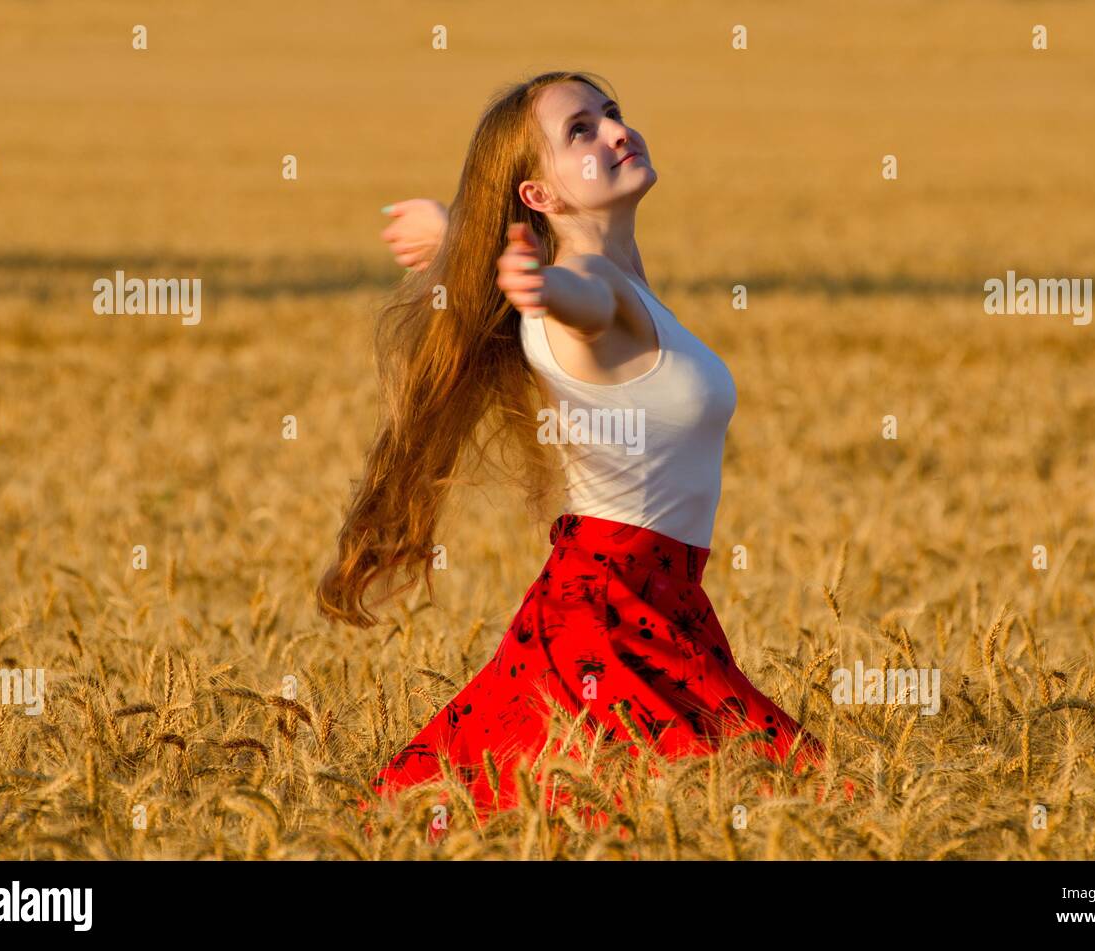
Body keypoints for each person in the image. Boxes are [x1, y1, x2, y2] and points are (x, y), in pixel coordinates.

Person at [319, 70, 851, 839]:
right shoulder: (588, 286)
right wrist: (538, 286)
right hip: (608, 621)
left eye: (613, 114)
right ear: (541, 196)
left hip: (651, 607)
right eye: (580, 131)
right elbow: (581, 301)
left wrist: (454, 234)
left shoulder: (610, 272)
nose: (613, 130)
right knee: (782, 814)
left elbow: (555, 273)